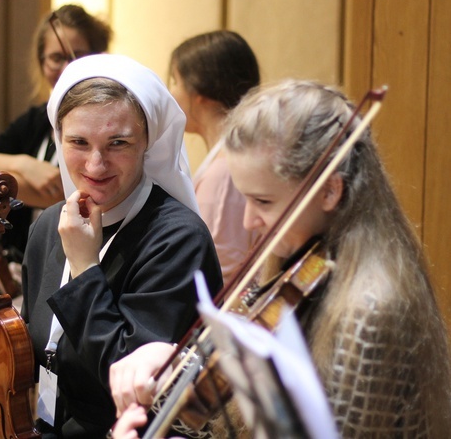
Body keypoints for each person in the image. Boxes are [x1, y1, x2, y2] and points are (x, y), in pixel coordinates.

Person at [109, 80, 451, 437]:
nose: (248, 222)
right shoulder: (298, 268)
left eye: (264, 202)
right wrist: (167, 360)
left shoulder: (371, 310)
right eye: (246, 199)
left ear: (330, 190)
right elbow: (217, 419)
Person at [0, 54, 223, 438]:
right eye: (78, 142)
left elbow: (129, 379)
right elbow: (48, 349)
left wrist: (83, 267)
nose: (96, 165)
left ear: (148, 142)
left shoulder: (178, 240)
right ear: (57, 138)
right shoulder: (50, 224)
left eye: (118, 143)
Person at [0, 4, 113, 262]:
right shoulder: (39, 119)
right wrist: (24, 164)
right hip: (32, 259)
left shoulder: (101, 120)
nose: (66, 68)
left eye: (76, 56)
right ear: (41, 62)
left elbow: (63, 193)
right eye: (55, 58)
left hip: (81, 257)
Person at [168, 30, 260, 283]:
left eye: (174, 81)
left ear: (200, 91)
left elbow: (218, 271)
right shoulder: (231, 156)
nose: (170, 92)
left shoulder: (225, 170)